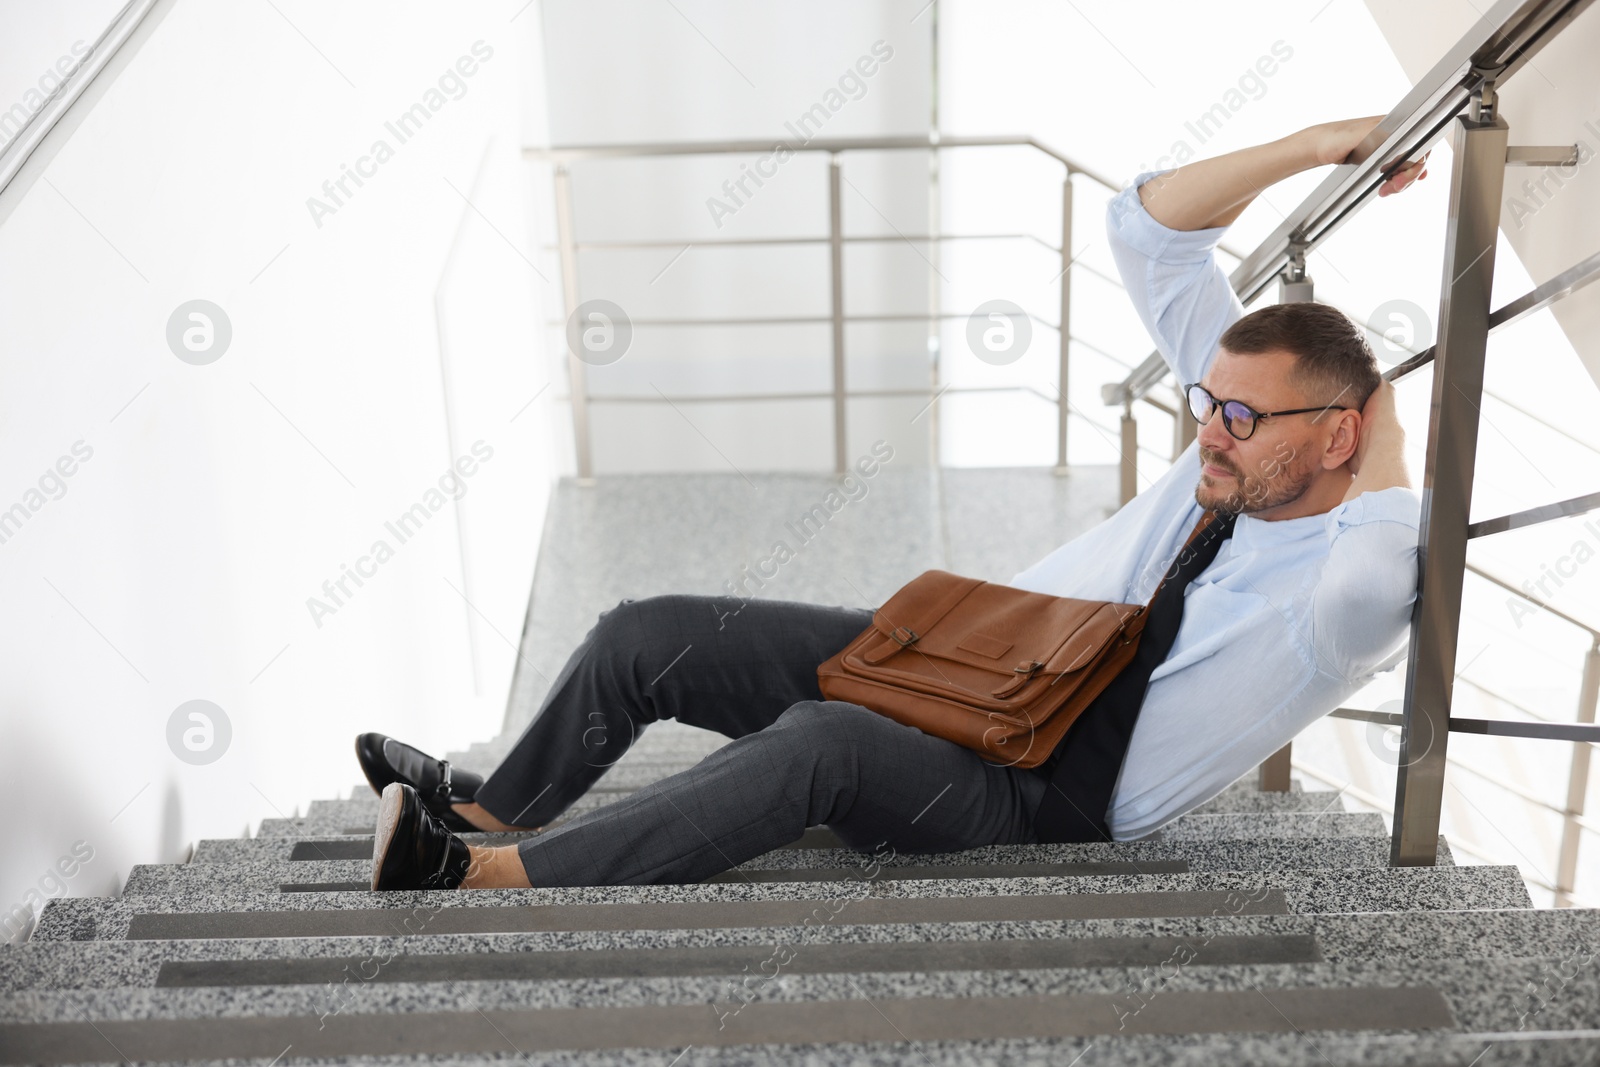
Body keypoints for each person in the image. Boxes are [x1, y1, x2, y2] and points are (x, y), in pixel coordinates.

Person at [364, 114, 1429, 891]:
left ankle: (486, 875)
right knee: (646, 636)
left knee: (819, 744)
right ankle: (490, 802)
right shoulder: (1240, 448)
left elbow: (1386, 568)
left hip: (1029, 792)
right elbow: (1145, 228)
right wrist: (1321, 142)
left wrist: (1381, 416)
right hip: (969, 665)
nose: (1208, 429)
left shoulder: (1332, 600)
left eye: (1243, 418)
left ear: (1338, 434)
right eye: (1208, 402)